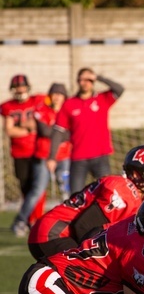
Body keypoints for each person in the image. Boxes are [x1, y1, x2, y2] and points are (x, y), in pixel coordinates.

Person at [28, 144, 144, 260]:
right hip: (54, 234)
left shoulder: (132, 194)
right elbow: (84, 228)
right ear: (138, 173)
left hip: (60, 232)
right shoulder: (123, 190)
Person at [48, 68, 124, 193]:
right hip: (78, 158)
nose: (85, 82)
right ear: (78, 81)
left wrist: (99, 77)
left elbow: (119, 89)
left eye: (88, 79)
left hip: (101, 157)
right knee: (75, 197)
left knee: (107, 194)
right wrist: (52, 157)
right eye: (82, 79)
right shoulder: (69, 104)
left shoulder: (102, 99)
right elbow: (58, 131)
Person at [1, 74, 46, 237]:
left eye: (22, 86)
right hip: (19, 153)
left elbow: (45, 119)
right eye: (17, 87)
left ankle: (36, 219)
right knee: (25, 188)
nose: (20, 90)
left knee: (39, 188)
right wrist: (29, 128)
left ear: (28, 87)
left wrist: (27, 126)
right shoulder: (8, 106)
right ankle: (29, 219)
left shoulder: (39, 100)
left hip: (38, 150)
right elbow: (10, 131)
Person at [33, 83, 71, 204]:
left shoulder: (68, 112)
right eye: (54, 94)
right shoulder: (43, 110)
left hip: (65, 155)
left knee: (66, 189)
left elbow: (70, 133)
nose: (57, 97)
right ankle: (22, 220)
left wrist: (57, 132)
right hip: (45, 155)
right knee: (38, 189)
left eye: (60, 94)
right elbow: (45, 131)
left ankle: (69, 217)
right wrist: (60, 132)